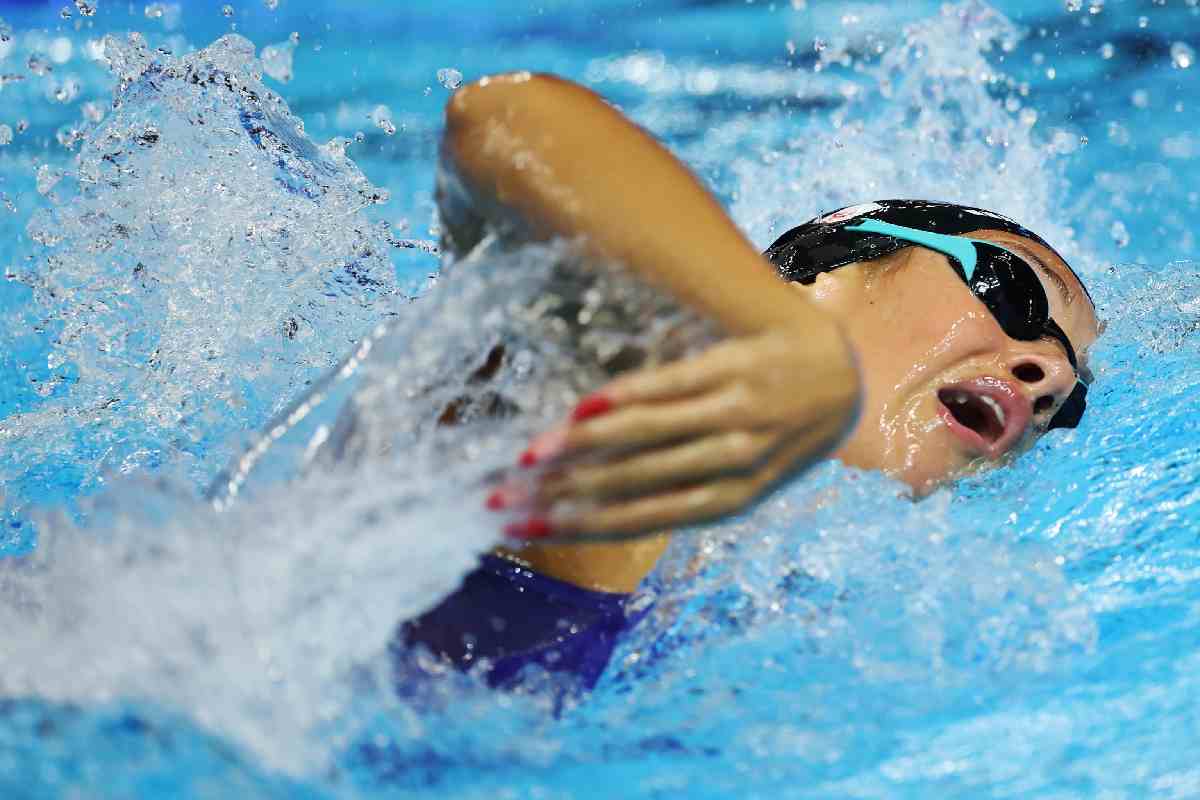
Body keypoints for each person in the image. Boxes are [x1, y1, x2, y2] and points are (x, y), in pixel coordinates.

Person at [395, 72, 1099, 692]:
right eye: (1013, 292)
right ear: (829, 265)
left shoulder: (769, 620)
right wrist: (788, 346)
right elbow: (505, 118)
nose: (1054, 377)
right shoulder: (628, 393)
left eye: (1069, 406)